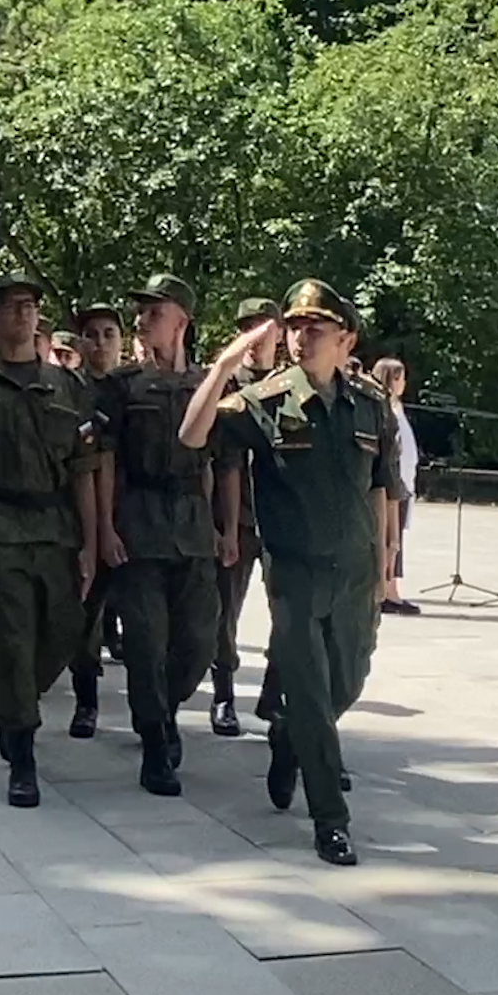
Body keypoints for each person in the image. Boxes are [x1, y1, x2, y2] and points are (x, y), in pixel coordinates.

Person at [179, 279, 403, 867]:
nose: (302, 338)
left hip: (355, 571)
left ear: (345, 339)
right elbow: (192, 435)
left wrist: (385, 564)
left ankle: (288, 739)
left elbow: (381, 486)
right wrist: (227, 363)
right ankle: (330, 820)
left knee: (346, 684)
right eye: (296, 328)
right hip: (296, 574)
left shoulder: (370, 403)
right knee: (307, 691)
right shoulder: (265, 401)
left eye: (316, 329)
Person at [0, 273, 101, 806]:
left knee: (62, 633)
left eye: (30, 306)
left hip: (55, 528)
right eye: (10, 307)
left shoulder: (68, 387)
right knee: (10, 640)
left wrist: (93, 541)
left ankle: (16, 706)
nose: (23, 314)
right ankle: (22, 753)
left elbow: (85, 469)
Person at [97, 274, 219, 796]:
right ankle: (154, 746)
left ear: (181, 321)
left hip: (192, 523)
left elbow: (220, 463)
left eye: (155, 311)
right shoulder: (122, 386)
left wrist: (220, 525)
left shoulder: (209, 385)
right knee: (146, 643)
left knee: (198, 641)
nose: (144, 321)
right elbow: (103, 460)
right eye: (141, 313)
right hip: (140, 522)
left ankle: (164, 709)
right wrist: (104, 527)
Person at [209, 297, 281, 737]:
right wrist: (228, 526)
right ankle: (223, 694)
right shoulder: (225, 383)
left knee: (289, 615)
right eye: (247, 328)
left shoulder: (290, 384)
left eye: (264, 327)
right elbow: (223, 460)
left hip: (279, 517)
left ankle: (274, 693)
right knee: (224, 612)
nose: (256, 337)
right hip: (235, 517)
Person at [65, 301, 129, 737]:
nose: (101, 342)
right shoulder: (69, 391)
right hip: (85, 516)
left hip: (140, 513)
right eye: (93, 334)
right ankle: (86, 701)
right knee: (84, 618)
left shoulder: (135, 389)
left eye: (109, 333)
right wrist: (98, 530)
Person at [372, 355, 421, 614]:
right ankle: (388, 590)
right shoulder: (384, 410)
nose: (404, 383)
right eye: (400, 377)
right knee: (391, 537)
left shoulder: (396, 407)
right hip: (393, 485)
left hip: (404, 484)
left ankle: (391, 587)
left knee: (397, 535)